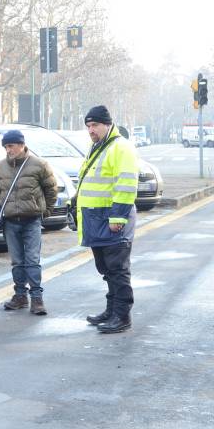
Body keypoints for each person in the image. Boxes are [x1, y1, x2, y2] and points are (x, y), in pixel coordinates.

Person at [77, 106, 139, 333]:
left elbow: (126, 185)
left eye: (94, 125)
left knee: (117, 270)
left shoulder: (120, 147)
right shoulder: (99, 146)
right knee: (106, 269)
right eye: (88, 126)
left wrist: (119, 218)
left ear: (107, 124)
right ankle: (112, 310)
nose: (90, 130)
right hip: (97, 219)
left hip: (112, 220)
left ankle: (122, 317)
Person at [0, 130, 58, 315]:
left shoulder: (39, 165)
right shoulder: (0, 167)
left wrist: (45, 211)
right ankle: (20, 296)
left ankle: (37, 299)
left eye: (11, 146)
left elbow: (51, 190)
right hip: (10, 222)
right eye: (6, 147)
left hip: (32, 221)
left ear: (21, 145)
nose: (8, 150)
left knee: (32, 261)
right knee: (17, 262)